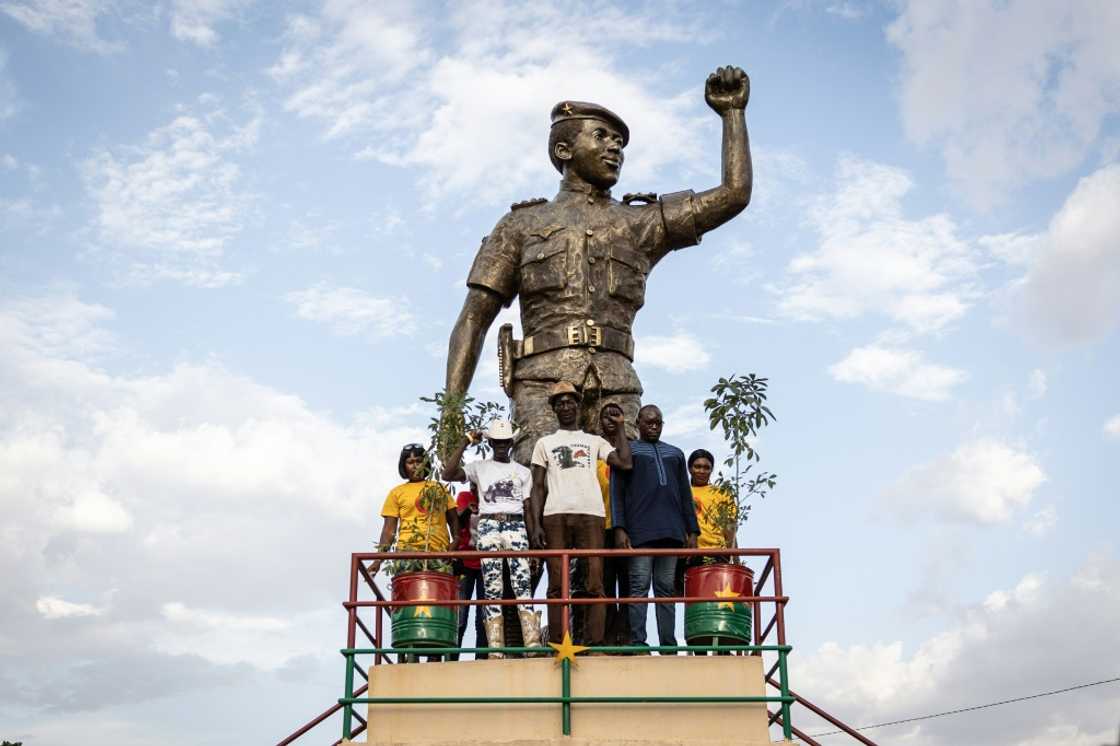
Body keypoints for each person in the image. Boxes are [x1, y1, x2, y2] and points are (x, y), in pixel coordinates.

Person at [445, 66, 754, 465]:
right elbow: (473, 319)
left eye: (620, 142)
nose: (615, 148)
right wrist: (450, 417)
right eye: (602, 136)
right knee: (542, 487)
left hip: (617, 385)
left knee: (626, 493)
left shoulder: (638, 222)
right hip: (542, 382)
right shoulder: (520, 225)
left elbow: (734, 195)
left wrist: (733, 115)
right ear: (564, 151)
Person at [528, 381, 632, 648]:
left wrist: (620, 427)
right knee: (556, 582)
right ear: (553, 409)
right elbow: (538, 486)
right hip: (556, 515)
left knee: (595, 580)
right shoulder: (545, 443)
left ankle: (594, 642)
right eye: (560, 402)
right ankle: (557, 642)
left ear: (578, 406)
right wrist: (537, 525)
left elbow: (624, 462)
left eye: (570, 401)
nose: (565, 406)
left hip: (591, 514)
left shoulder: (593, 441)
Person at [443, 419, 542, 658]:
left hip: (516, 523)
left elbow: (529, 507)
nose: (500, 445)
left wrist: (533, 541)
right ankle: (495, 647)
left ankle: (532, 644)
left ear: (510, 442)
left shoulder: (522, 472)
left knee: (522, 584)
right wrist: (466, 441)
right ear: (490, 442)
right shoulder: (480, 467)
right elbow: (448, 473)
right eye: (495, 442)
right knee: (492, 585)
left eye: (504, 441)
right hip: (488, 525)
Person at [611, 405, 699, 652]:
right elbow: (616, 492)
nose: (653, 426)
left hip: (672, 532)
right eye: (649, 422)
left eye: (658, 422)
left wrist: (692, 531)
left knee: (665, 590)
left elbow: (685, 493)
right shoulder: (628, 452)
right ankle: (639, 643)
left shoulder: (675, 454)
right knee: (639, 588)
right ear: (637, 423)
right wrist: (619, 527)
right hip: (640, 533)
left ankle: (668, 646)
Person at [368, 443, 458, 577]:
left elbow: (453, 519)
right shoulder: (396, 493)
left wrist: (455, 542)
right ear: (403, 466)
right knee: (407, 594)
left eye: (419, 461)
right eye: (410, 462)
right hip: (406, 554)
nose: (415, 466)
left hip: (438, 553)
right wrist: (378, 560)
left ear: (426, 463)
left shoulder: (439, 488)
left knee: (437, 595)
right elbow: (388, 531)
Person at [597, 402, 631, 645]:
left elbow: (627, 466)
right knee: (606, 584)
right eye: (605, 417)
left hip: (628, 528)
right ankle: (608, 636)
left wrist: (621, 429)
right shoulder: (595, 452)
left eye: (615, 416)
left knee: (629, 584)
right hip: (602, 527)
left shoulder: (631, 449)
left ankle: (626, 635)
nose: (610, 420)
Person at [451, 487, 486, 661]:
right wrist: (466, 510)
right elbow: (455, 520)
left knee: (483, 616)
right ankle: (452, 657)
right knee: (461, 615)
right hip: (465, 562)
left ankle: (481, 658)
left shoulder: (492, 496)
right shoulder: (465, 496)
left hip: (486, 564)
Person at [688, 449, 736, 558]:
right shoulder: (681, 493)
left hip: (717, 553)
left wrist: (733, 557)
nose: (701, 471)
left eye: (706, 468)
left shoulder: (722, 494)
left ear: (711, 470)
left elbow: (730, 529)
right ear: (690, 468)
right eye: (697, 466)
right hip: (688, 553)